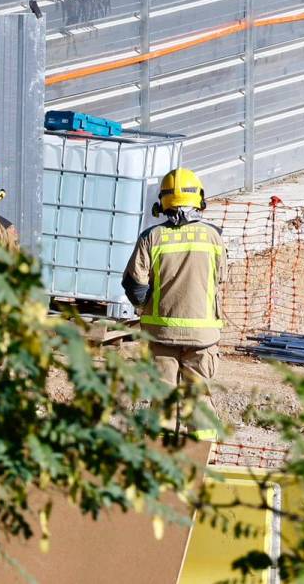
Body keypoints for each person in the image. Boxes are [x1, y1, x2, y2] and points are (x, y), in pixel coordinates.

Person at [122, 167, 224, 441]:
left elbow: (134, 284)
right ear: (199, 200)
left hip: (161, 334)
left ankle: (158, 463)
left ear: (163, 202)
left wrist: (145, 309)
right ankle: (202, 462)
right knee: (198, 400)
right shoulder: (213, 237)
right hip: (202, 337)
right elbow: (220, 278)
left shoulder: (151, 237)